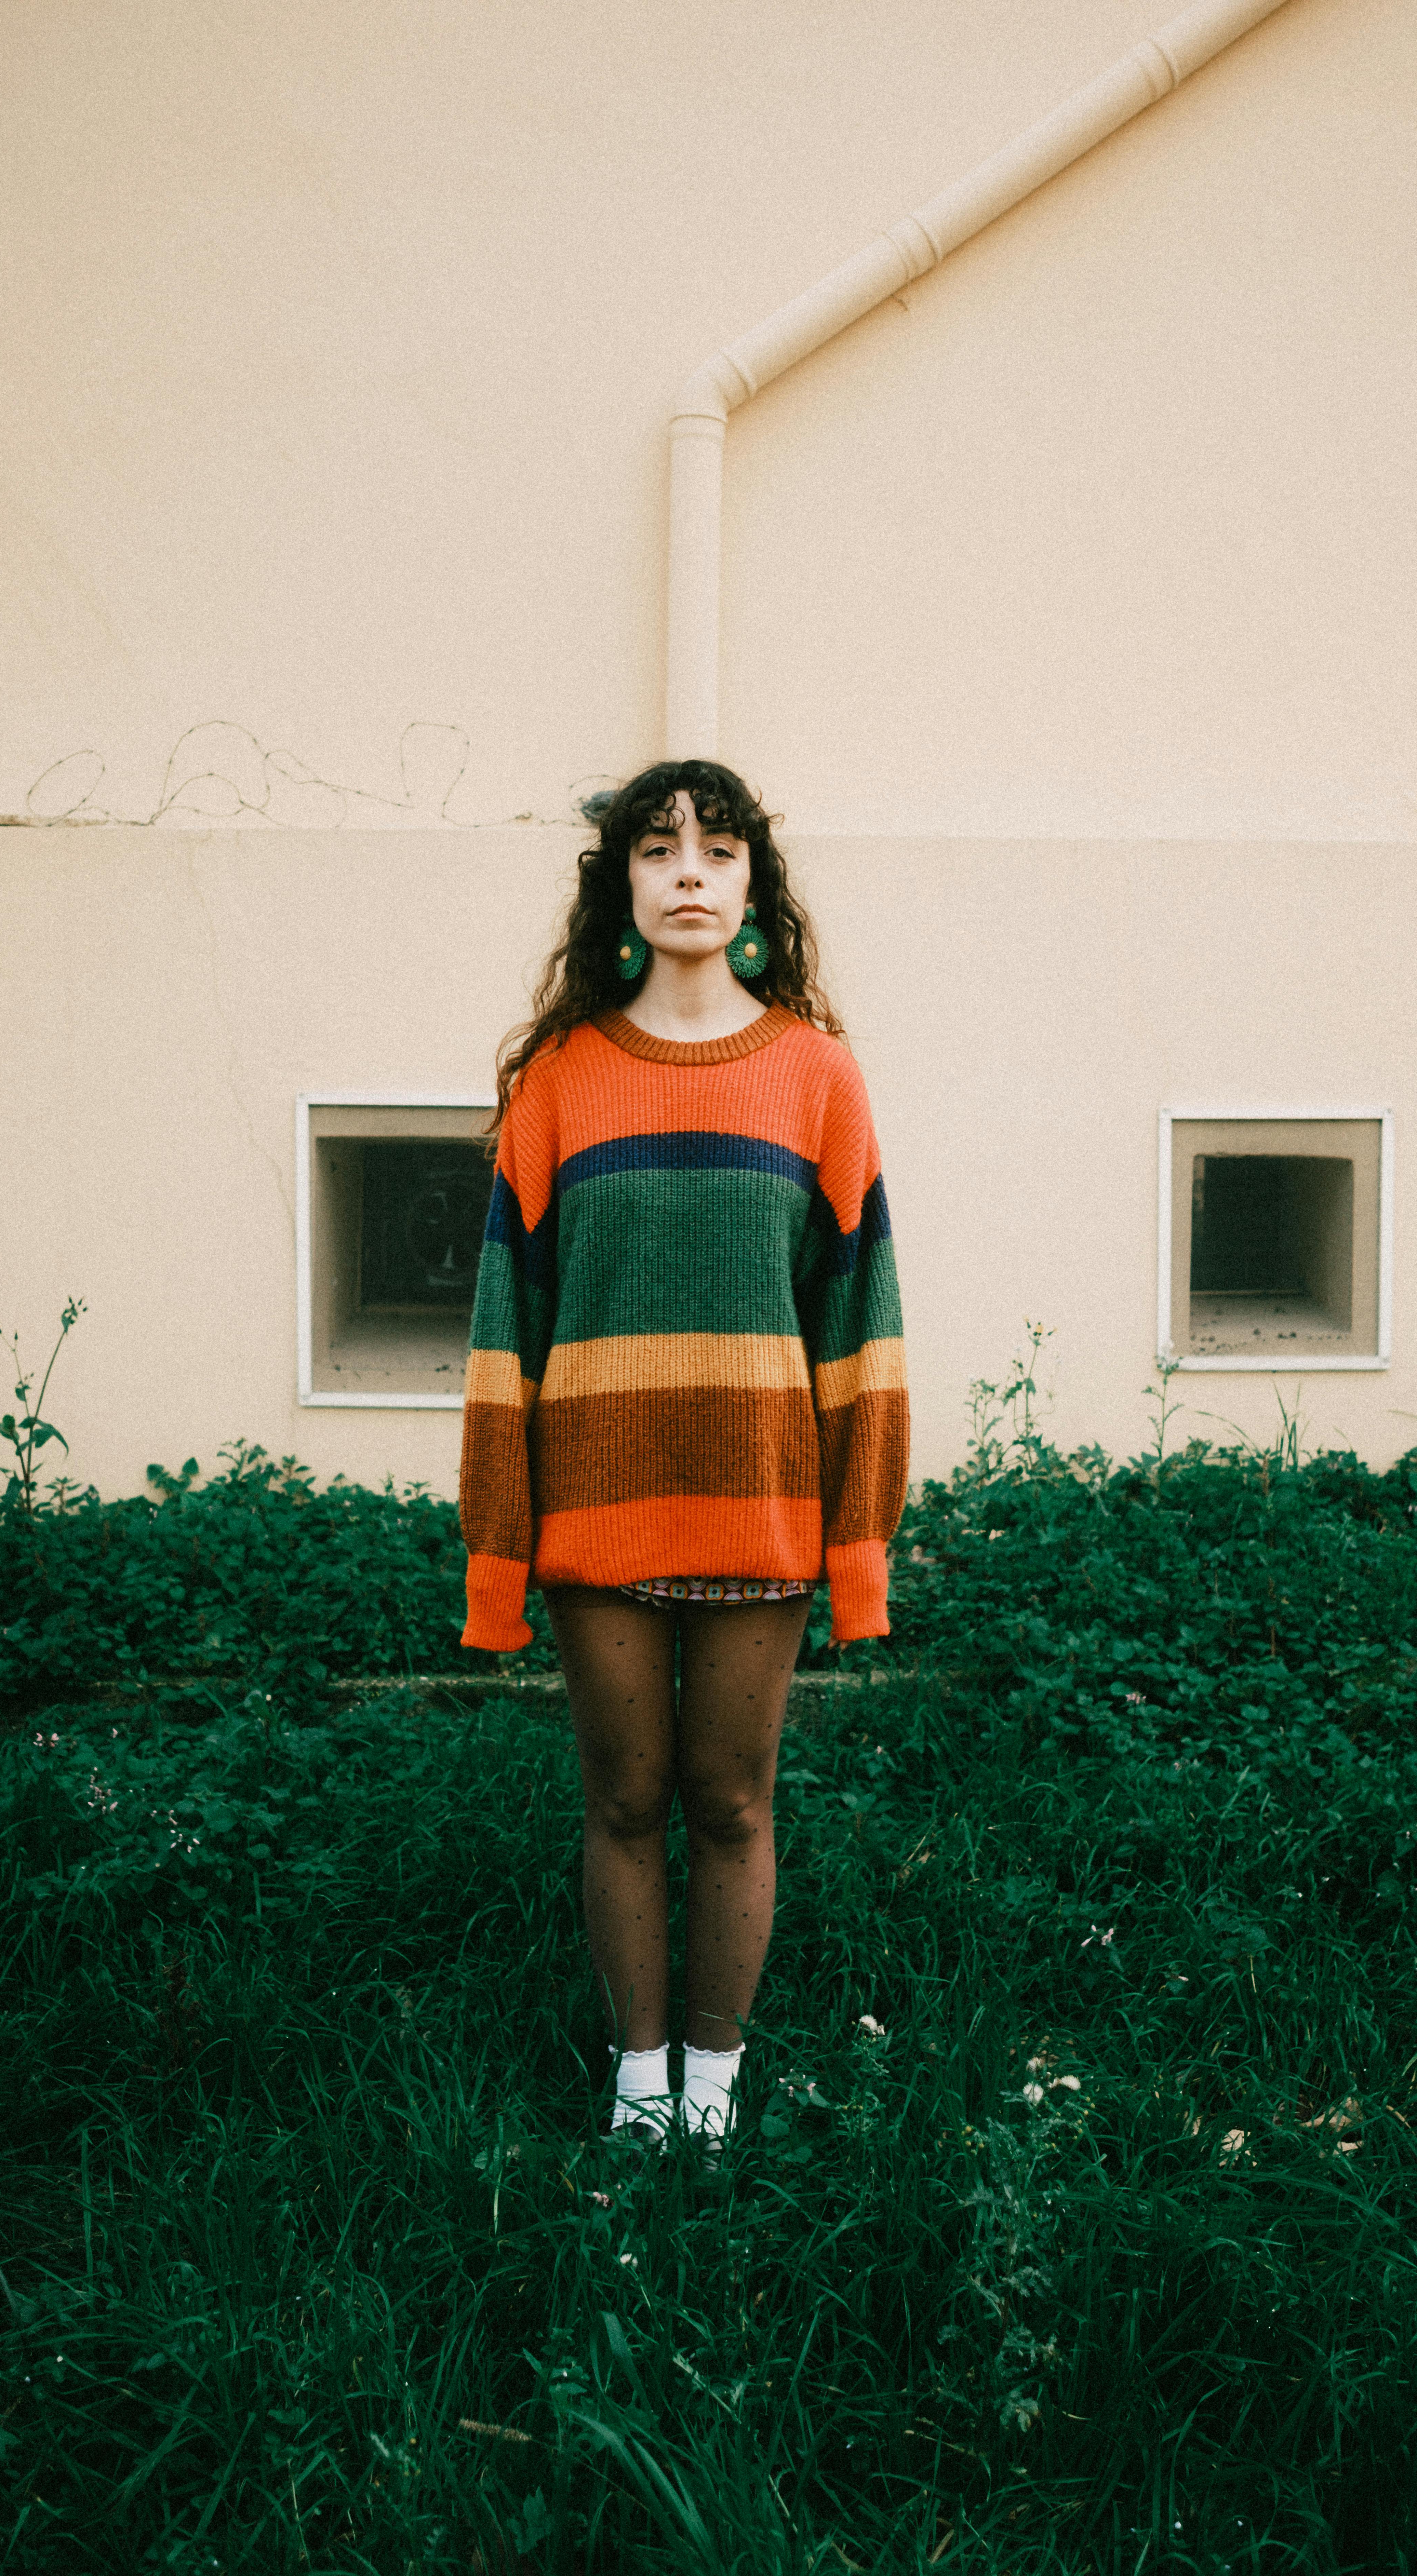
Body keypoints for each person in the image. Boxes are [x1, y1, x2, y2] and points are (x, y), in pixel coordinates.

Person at [457, 759, 907, 2153]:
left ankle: (713, 2095)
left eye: (719, 849)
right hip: (594, 1519)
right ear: (624, 891)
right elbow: (500, 1339)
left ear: (757, 890)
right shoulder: (557, 1084)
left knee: (728, 1799)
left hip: (761, 1516)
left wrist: (856, 1556)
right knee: (623, 1799)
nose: (693, 871)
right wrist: (498, 1562)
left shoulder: (817, 1078)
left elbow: (861, 1325)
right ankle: (637, 2087)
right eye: (660, 849)